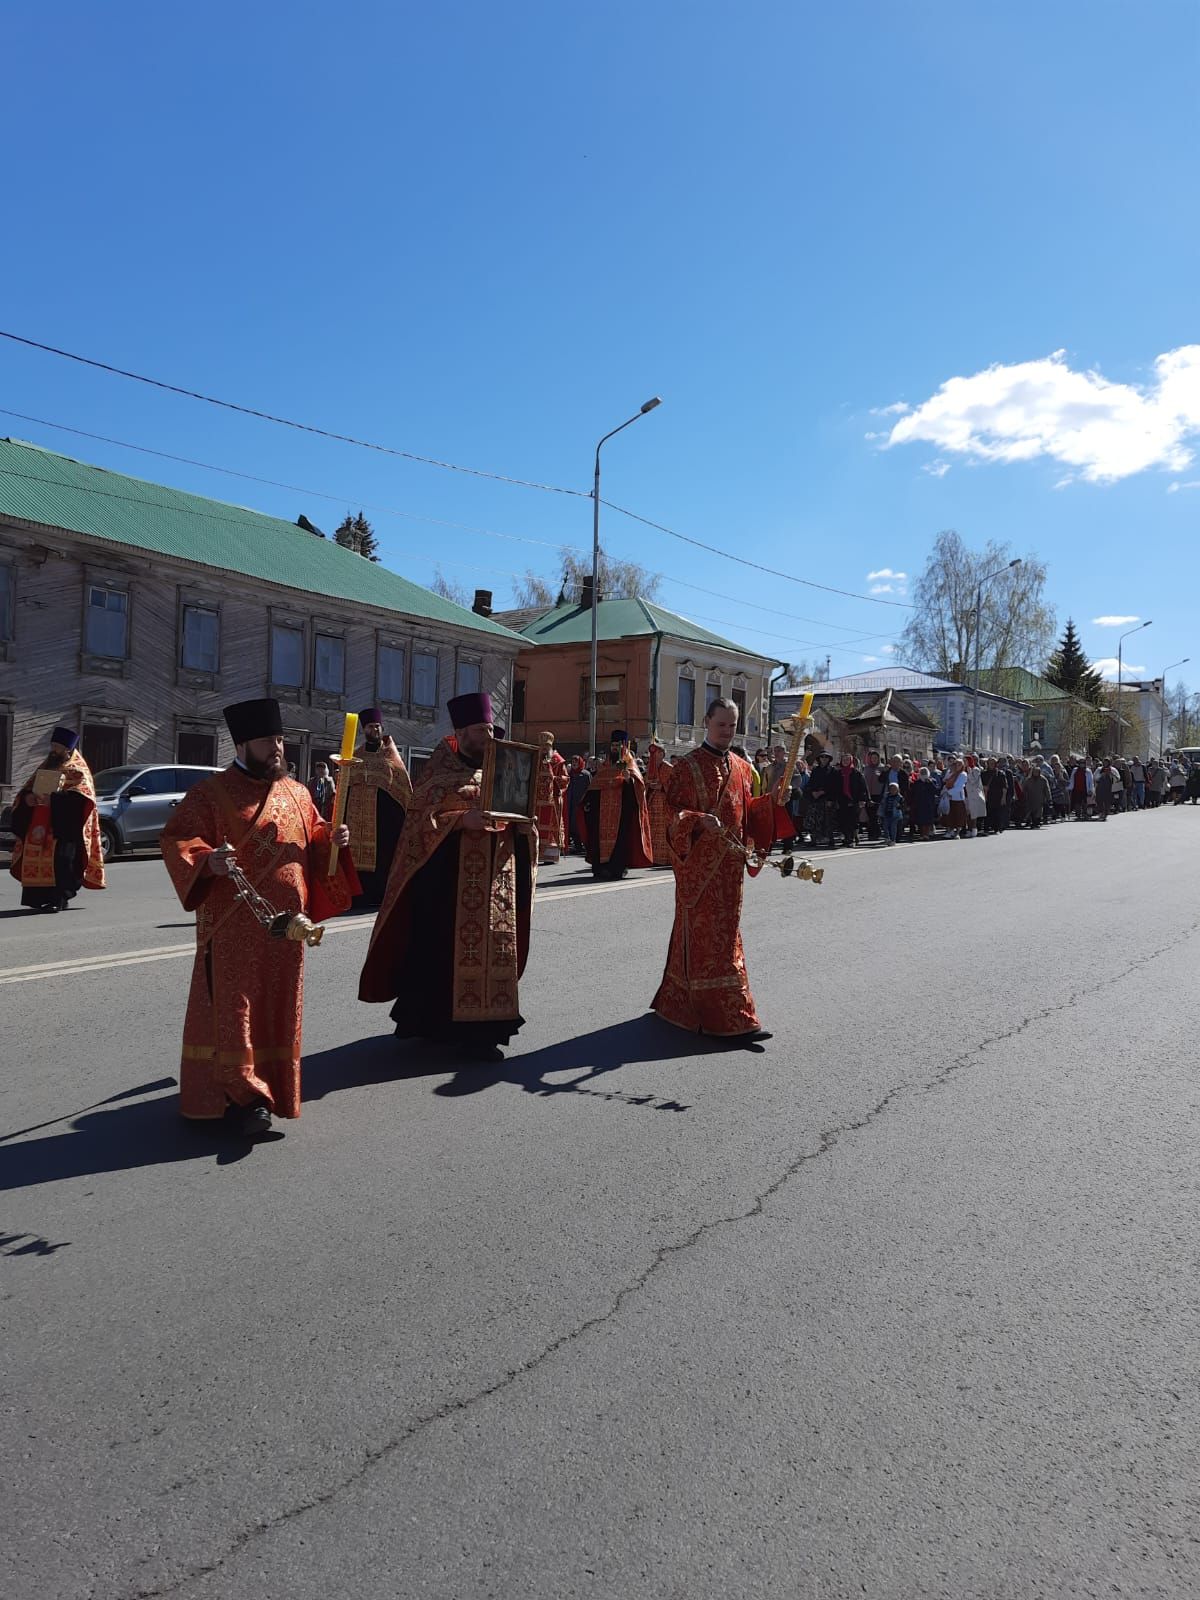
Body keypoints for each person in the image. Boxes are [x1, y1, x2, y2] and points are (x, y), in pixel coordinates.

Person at [160, 698, 356, 1138]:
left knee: (280, 1010)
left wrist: (334, 837)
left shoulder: (299, 792)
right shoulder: (210, 795)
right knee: (237, 1011)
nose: (278, 748)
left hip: (287, 931)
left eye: (281, 739)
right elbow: (178, 838)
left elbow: (316, 838)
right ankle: (245, 1098)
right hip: (233, 928)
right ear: (244, 742)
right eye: (269, 740)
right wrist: (206, 860)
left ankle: (275, 1090)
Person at [359, 692, 535, 1062]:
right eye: (480, 730)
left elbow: (522, 821)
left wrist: (523, 827)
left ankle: (484, 1035)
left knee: (495, 956)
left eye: (490, 729)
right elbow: (418, 826)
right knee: (441, 957)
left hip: (496, 883)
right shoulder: (437, 777)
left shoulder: (504, 770)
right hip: (447, 889)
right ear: (461, 732)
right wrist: (459, 821)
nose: (488, 737)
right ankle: (433, 1023)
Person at [651, 698, 792, 1044]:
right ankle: (724, 1013)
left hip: (730, 870)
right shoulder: (687, 767)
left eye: (732, 725)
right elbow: (669, 815)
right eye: (721, 725)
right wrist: (698, 820)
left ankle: (705, 1006)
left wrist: (774, 802)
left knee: (727, 936)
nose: (727, 731)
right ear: (706, 723)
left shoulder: (744, 768)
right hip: (698, 870)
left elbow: (750, 811)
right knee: (702, 939)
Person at [8, 725, 106, 912]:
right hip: (38, 822)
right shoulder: (46, 765)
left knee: (61, 862)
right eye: (52, 745)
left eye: (57, 746)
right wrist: (28, 798)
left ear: (67, 748)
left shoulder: (77, 770)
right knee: (35, 859)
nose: (53, 750)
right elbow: (27, 789)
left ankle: (58, 899)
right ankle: (36, 898)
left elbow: (81, 800)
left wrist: (53, 799)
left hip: (62, 827)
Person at [332, 707, 413, 910]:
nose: (375, 730)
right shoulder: (354, 757)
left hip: (382, 820)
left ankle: (380, 894)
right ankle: (357, 896)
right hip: (355, 817)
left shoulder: (391, 758)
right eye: (370, 727)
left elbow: (402, 788)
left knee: (383, 855)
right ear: (364, 730)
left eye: (377, 726)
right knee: (352, 854)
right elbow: (343, 786)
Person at [581, 729, 653, 880]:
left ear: (624, 746)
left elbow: (639, 787)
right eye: (613, 745)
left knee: (620, 841)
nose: (614, 748)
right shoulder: (605, 764)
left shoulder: (629, 764)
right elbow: (596, 784)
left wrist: (628, 780)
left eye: (618, 745)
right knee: (599, 839)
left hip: (621, 811)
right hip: (601, 811)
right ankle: (600, 868)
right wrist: (589, 800)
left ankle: (617, 868)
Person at [534, 731, 569, 865]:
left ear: (550, 747)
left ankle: (550, 855)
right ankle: (536, 853)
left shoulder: (558, 761)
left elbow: (566, 779)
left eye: (546, 747)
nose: (543, 750)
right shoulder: (535, 758)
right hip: (536, 801)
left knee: (550, 828)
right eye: (541, 747)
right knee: (536, 826)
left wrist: (553, 779)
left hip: (552, 800)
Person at [644, 738, 675, 866]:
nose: (653, 756)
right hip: (652, 804)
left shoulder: (669, 768)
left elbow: (675, 787)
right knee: (652, 830)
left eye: (656, 753)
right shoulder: (649, 767)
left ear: (662, 754)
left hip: (664, 804)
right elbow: (645, 783)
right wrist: (649, 786)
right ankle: (652, 857)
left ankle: (664, 859)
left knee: (664, 832)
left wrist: (662, 787)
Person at [834, 753, 868, 847]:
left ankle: (852, 838)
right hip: (842, 800)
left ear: (851, 761)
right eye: (844, 760)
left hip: (854, 799)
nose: (845, 762)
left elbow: (863, 787)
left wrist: (862, 799)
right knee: (842, 820)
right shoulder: (838, 773)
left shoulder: (856, 773)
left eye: (847, 760)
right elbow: (834, 788)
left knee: (852, 820)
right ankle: (847, 838)